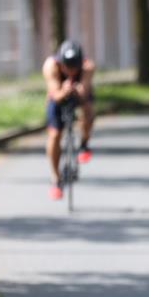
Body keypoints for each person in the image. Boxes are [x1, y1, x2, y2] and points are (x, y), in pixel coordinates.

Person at [44, 40, 96, 200]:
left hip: (80, 96)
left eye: (75, 67)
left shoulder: (88, 66)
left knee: (88, 111)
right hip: (58, 96)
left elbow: (85, 91)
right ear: (61, 63)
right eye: (68, 67)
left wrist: (80, 91)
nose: (72, 71)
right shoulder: (50, 66)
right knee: (54, 135)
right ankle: (55, 179)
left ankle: (84, 144)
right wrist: (64, 90)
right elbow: (55, 94)